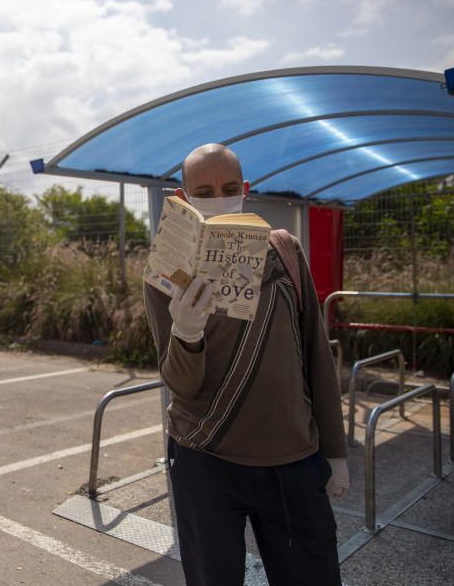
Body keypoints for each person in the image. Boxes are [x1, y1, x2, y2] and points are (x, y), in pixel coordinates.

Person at [143, 143, 348, 586]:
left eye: (229, 188)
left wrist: (336, 450)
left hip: (294, 458)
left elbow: (316, 352)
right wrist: (187, 332)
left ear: (246, 190)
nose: (219, 196)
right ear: (184, 198)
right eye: (205, 190)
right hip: (205, 458)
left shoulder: (285, 250)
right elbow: (180, 384)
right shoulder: (167, 271)